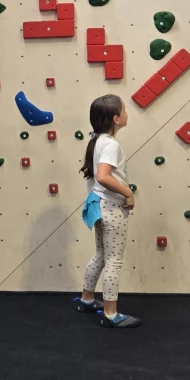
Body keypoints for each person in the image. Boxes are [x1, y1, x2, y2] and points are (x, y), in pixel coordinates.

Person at [75, 95, 141, 329]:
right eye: (124, 110)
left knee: (101, 254)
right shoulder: (111, 145)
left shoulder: (98, 140)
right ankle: (110, 314)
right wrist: (128, 193)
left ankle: (86, 299)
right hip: (111, 206)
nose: (126, 113)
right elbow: (103, 177)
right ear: (116, 119)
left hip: (97, 205)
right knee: (114, 260)